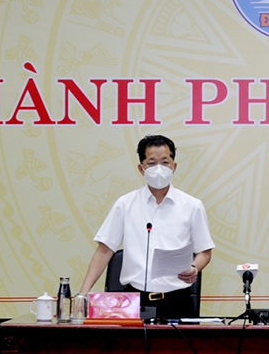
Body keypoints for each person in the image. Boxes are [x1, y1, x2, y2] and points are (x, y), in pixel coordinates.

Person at [79, 135, 215, 319]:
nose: (159, 168)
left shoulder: (192, 205)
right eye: (151, 163)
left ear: (174, 166)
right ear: (141, 169)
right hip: (132, 302)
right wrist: (83, 294)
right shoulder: (125, 204)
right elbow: (104, 250)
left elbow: (205, 251)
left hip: (177, 301)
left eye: (165, 162)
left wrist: (194, 267)